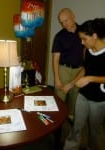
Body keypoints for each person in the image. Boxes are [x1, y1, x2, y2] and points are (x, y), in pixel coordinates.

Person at [63, 18, 105, 150]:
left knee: (95, 130)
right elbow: (85, 70)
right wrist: (71, 84)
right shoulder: (87, 50)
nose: (82, 42)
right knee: (77, 126)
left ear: (94, 36)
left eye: (84, 39)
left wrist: (90, 79)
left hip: (99, 99)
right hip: (83, 95)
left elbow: (91, 76)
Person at [52, 8, 85, 120]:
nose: (64, 24)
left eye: (66, 20)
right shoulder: (59, 36)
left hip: (80, 70)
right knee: (60, 96)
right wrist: (56, 78)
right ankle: (58, 118)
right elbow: (56, 58)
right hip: (63, 69)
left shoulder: (84, 32)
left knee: (75, 97)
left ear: (73, 16)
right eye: (61, 22)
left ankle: (71, 116)